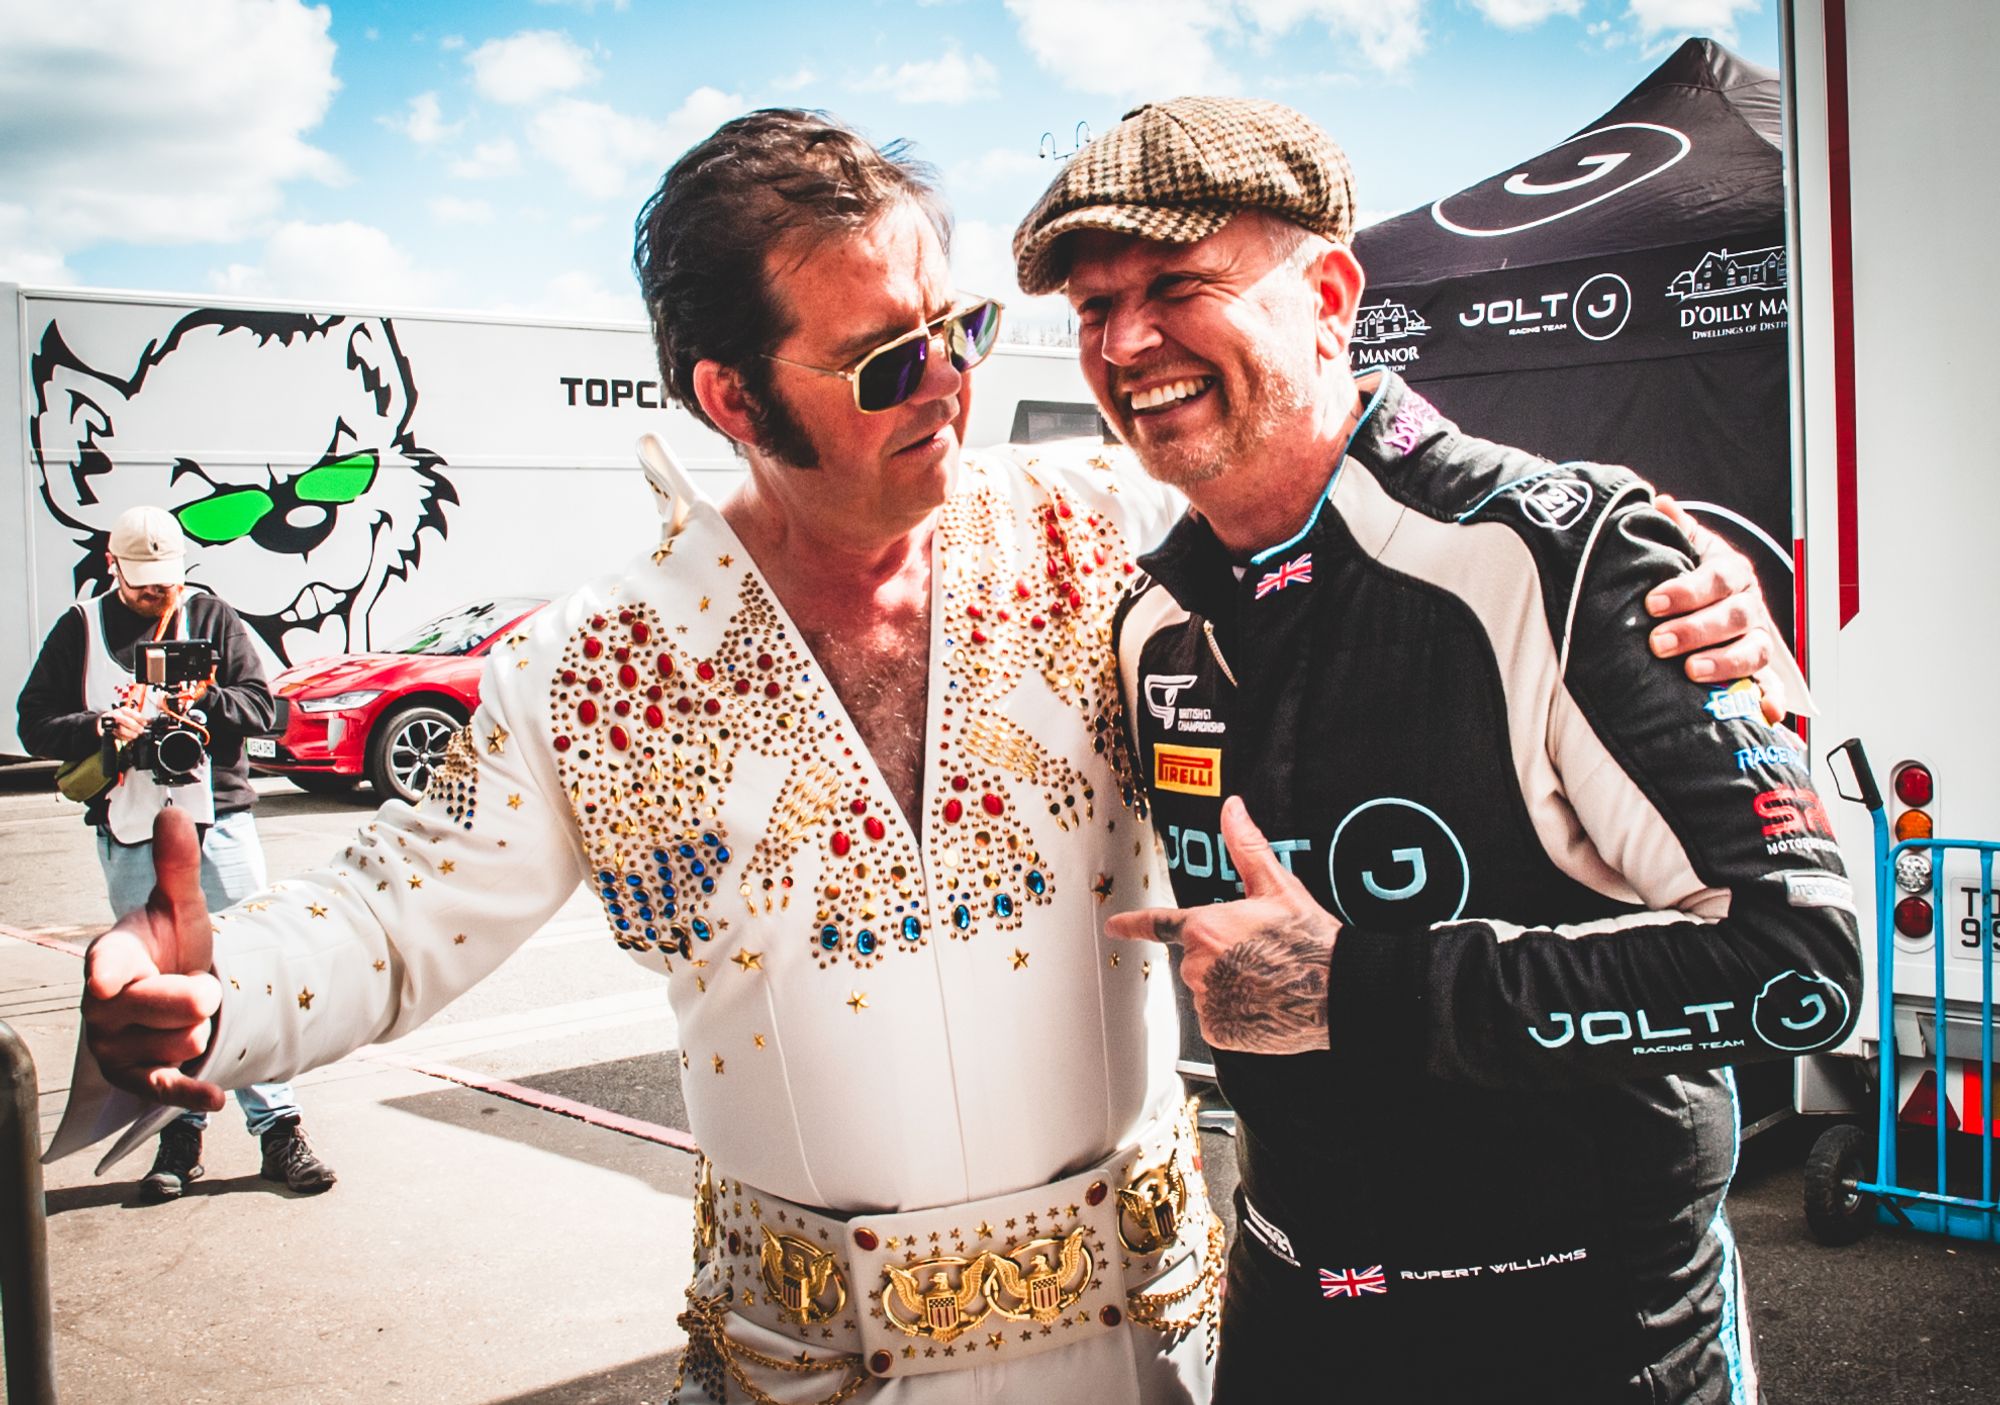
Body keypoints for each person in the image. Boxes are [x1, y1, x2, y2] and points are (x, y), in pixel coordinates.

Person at [48, 110, 1771, 1403]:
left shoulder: (1108, 541)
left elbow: (1359, 496)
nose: (948, 379)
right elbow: (389, 909)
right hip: (808, 1368)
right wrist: (217, 996)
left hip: (1155, 1355)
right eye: (886, 359)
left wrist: (1682, 587)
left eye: (962, 329)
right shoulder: (593, 661)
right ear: (732, 396)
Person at [1009, 96, 1862, 1403]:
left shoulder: (1564, 554)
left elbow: (1800, 973)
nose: (1126, 342)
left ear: (1329, 297)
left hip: (1591, 1338)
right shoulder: (1152, 621)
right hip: (1292, 1319)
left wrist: (1361, 990)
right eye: (1092, 307)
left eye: (1178, 285)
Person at [18, 504, 336, 1201]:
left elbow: (267, 709)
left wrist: (205, 703)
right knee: (162, 990)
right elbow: (32, 723)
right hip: (131, 827)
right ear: (113, 566)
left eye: (168, 578)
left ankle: (279, 1128)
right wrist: (103, 724)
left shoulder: (212, 617)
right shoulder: (80, 627)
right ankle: (178, 1133)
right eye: (144, 584)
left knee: (249, 974)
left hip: (218, 821)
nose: (159, 593)